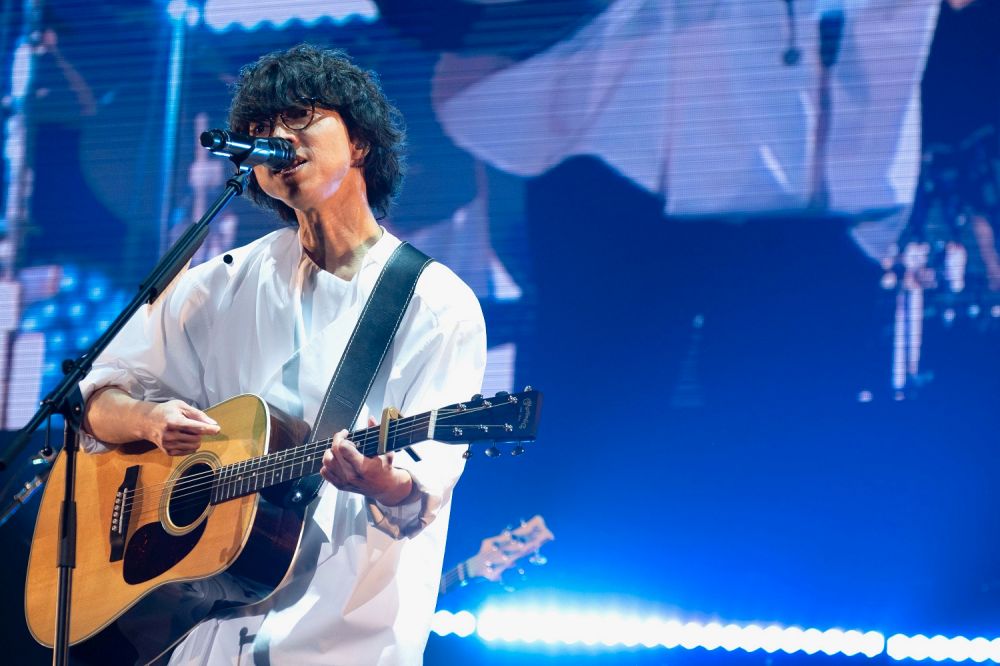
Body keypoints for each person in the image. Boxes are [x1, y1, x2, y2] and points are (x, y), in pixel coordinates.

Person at [79, 44, 487, 665]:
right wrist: (148, 419)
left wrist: (381, 478)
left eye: (299, 116)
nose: (276, 136)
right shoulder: (221, 283)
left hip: (338, 636)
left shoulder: (435, 304)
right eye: (259, 127)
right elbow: (95, 397)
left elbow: (425, 483)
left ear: (359, 142)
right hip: (202, 632)